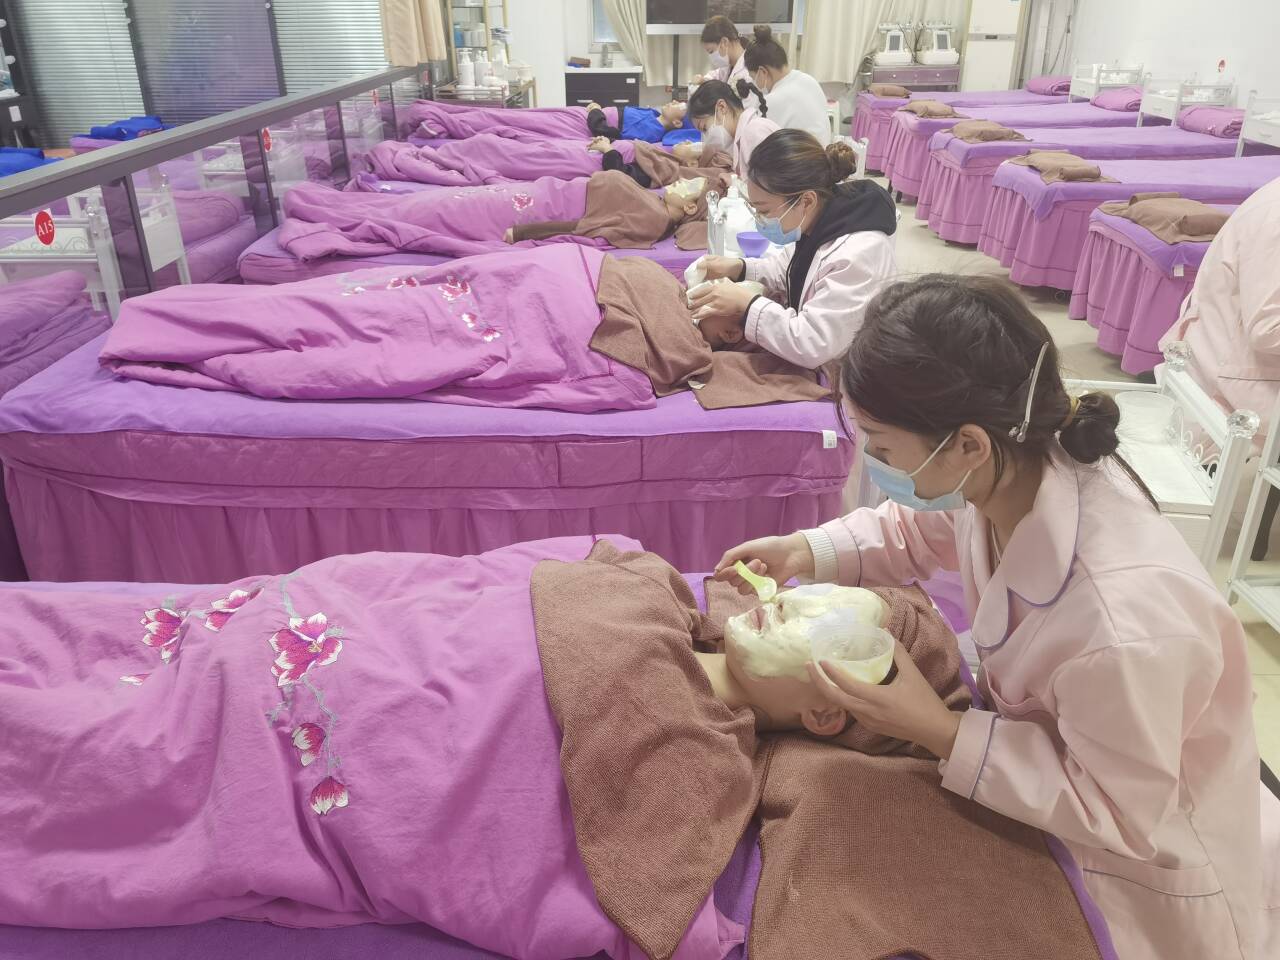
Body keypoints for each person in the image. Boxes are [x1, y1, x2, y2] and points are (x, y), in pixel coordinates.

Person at [715, 274, 1263, 960]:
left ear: (968, 445)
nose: (873, 465)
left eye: (881, 449)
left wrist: (942, 731)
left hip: (1141, 861)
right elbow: (919, 529)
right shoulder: (1012, 469)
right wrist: (806, 549)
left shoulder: (1123, 624)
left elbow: (1119, 812)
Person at [687, 129, 897, 369]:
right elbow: (786, 268)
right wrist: (739, 268)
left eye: (764, 210)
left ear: (806, 200)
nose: (759, 219)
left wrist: (747, 305)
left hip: (847, 368)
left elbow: (814, 343)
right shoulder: (818, 221)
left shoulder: (859, 252)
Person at [742, 25, 831, 146]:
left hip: (801, 157)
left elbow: (759, 148)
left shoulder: (772, 101)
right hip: (823, 153)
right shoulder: (809, 80)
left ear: (762, 72)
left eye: (753, 77)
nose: (754, 83)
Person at [686, 79, 779, 182]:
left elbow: (773, 185)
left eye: (704, 128)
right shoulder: (741, 138)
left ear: (722, 107)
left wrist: (735, 182)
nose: (707, 138)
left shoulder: (754, 132)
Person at [694, 14, 753, 109]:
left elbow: (743, 111)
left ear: (724, 42)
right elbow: (715, 76)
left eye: (711, 51)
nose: (711, 57)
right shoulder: (728, 65)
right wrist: (703, 80)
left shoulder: (749, 73)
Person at [584, 99, 700, 147]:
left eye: (680, 106)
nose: (674, 101)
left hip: (593, 117)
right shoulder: (654, 114)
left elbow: (607, 132)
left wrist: (596, 111)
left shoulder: (652, 132)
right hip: (599, 112)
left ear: (677, 123)